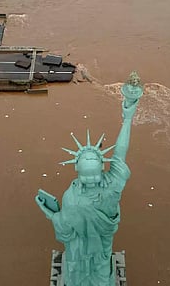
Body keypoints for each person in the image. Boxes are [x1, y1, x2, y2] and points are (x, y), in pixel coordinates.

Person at [36, 94, 139, 286]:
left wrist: (127, 118)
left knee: (97, 269)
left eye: (94, 175)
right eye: (86, 175)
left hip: (99, 249)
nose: (91, 180)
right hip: (86, 251)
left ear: (102, 168)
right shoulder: (73, 197)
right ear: (77, 170)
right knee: (93, 271)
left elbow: (120, 153)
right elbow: (66, 227)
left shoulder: (110, 188)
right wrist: (54, 215)